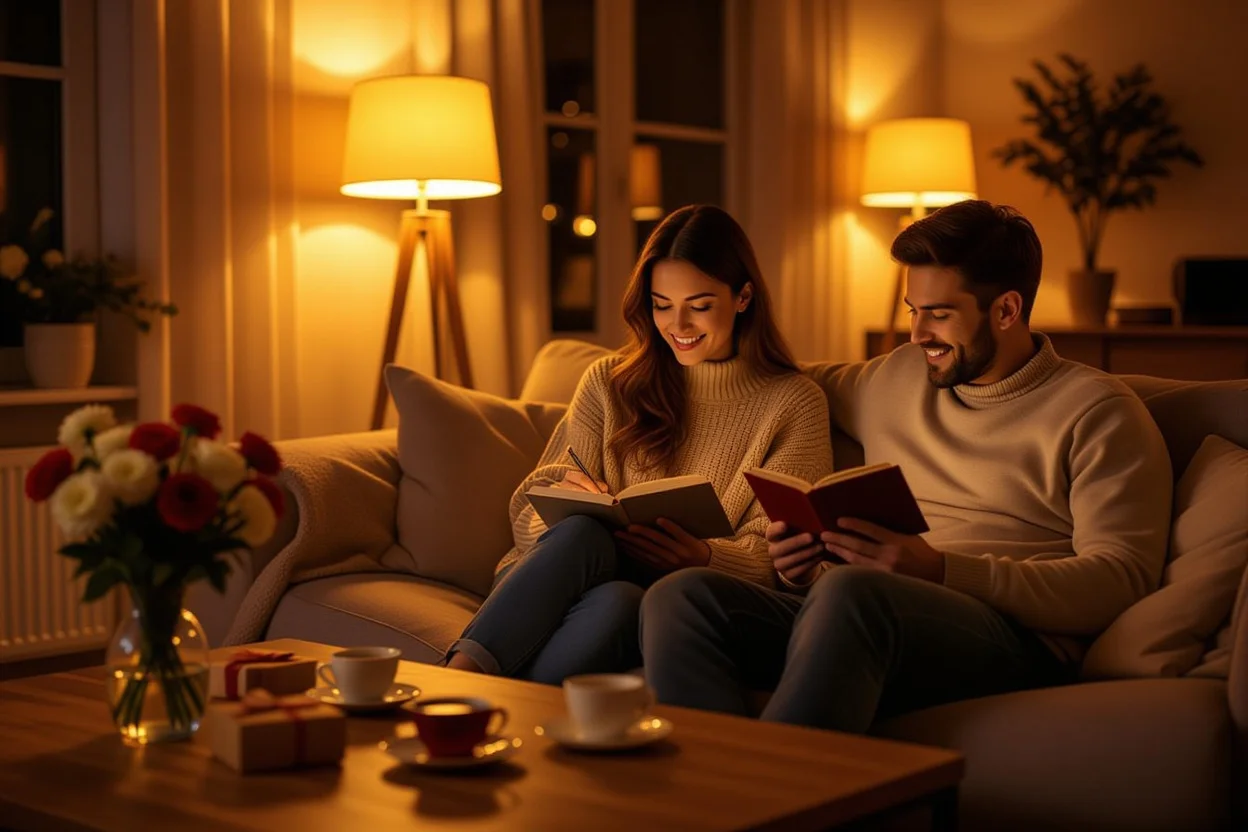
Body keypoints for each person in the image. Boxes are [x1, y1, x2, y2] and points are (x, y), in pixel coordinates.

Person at [640, 200, 1174, 731]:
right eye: (913, 311)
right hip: (860, 609)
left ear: (1007, 310)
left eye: (939, 315)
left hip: (1010, 636)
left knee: (852, 592)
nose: (917, 335)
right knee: (684, 596)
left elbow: (1120, 579)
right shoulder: (896, 376)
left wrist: (940, 570)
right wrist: (799, 568)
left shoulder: (1099, 412)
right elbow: (766, 382)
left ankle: (780, 795)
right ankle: (704, 787)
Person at [442, 204, 834, 684]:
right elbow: (528, 508)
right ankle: (457, 679)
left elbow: (784, 555)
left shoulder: (793, 403)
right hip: (559, 576)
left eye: (700, 305)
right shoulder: (609, 382)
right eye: (661, 304)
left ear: (743, 297)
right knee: (585, 532)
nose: (678, 325)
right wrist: (569, 499)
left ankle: (478, 699)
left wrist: (705, 558)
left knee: (625, 601)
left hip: (658, 597)